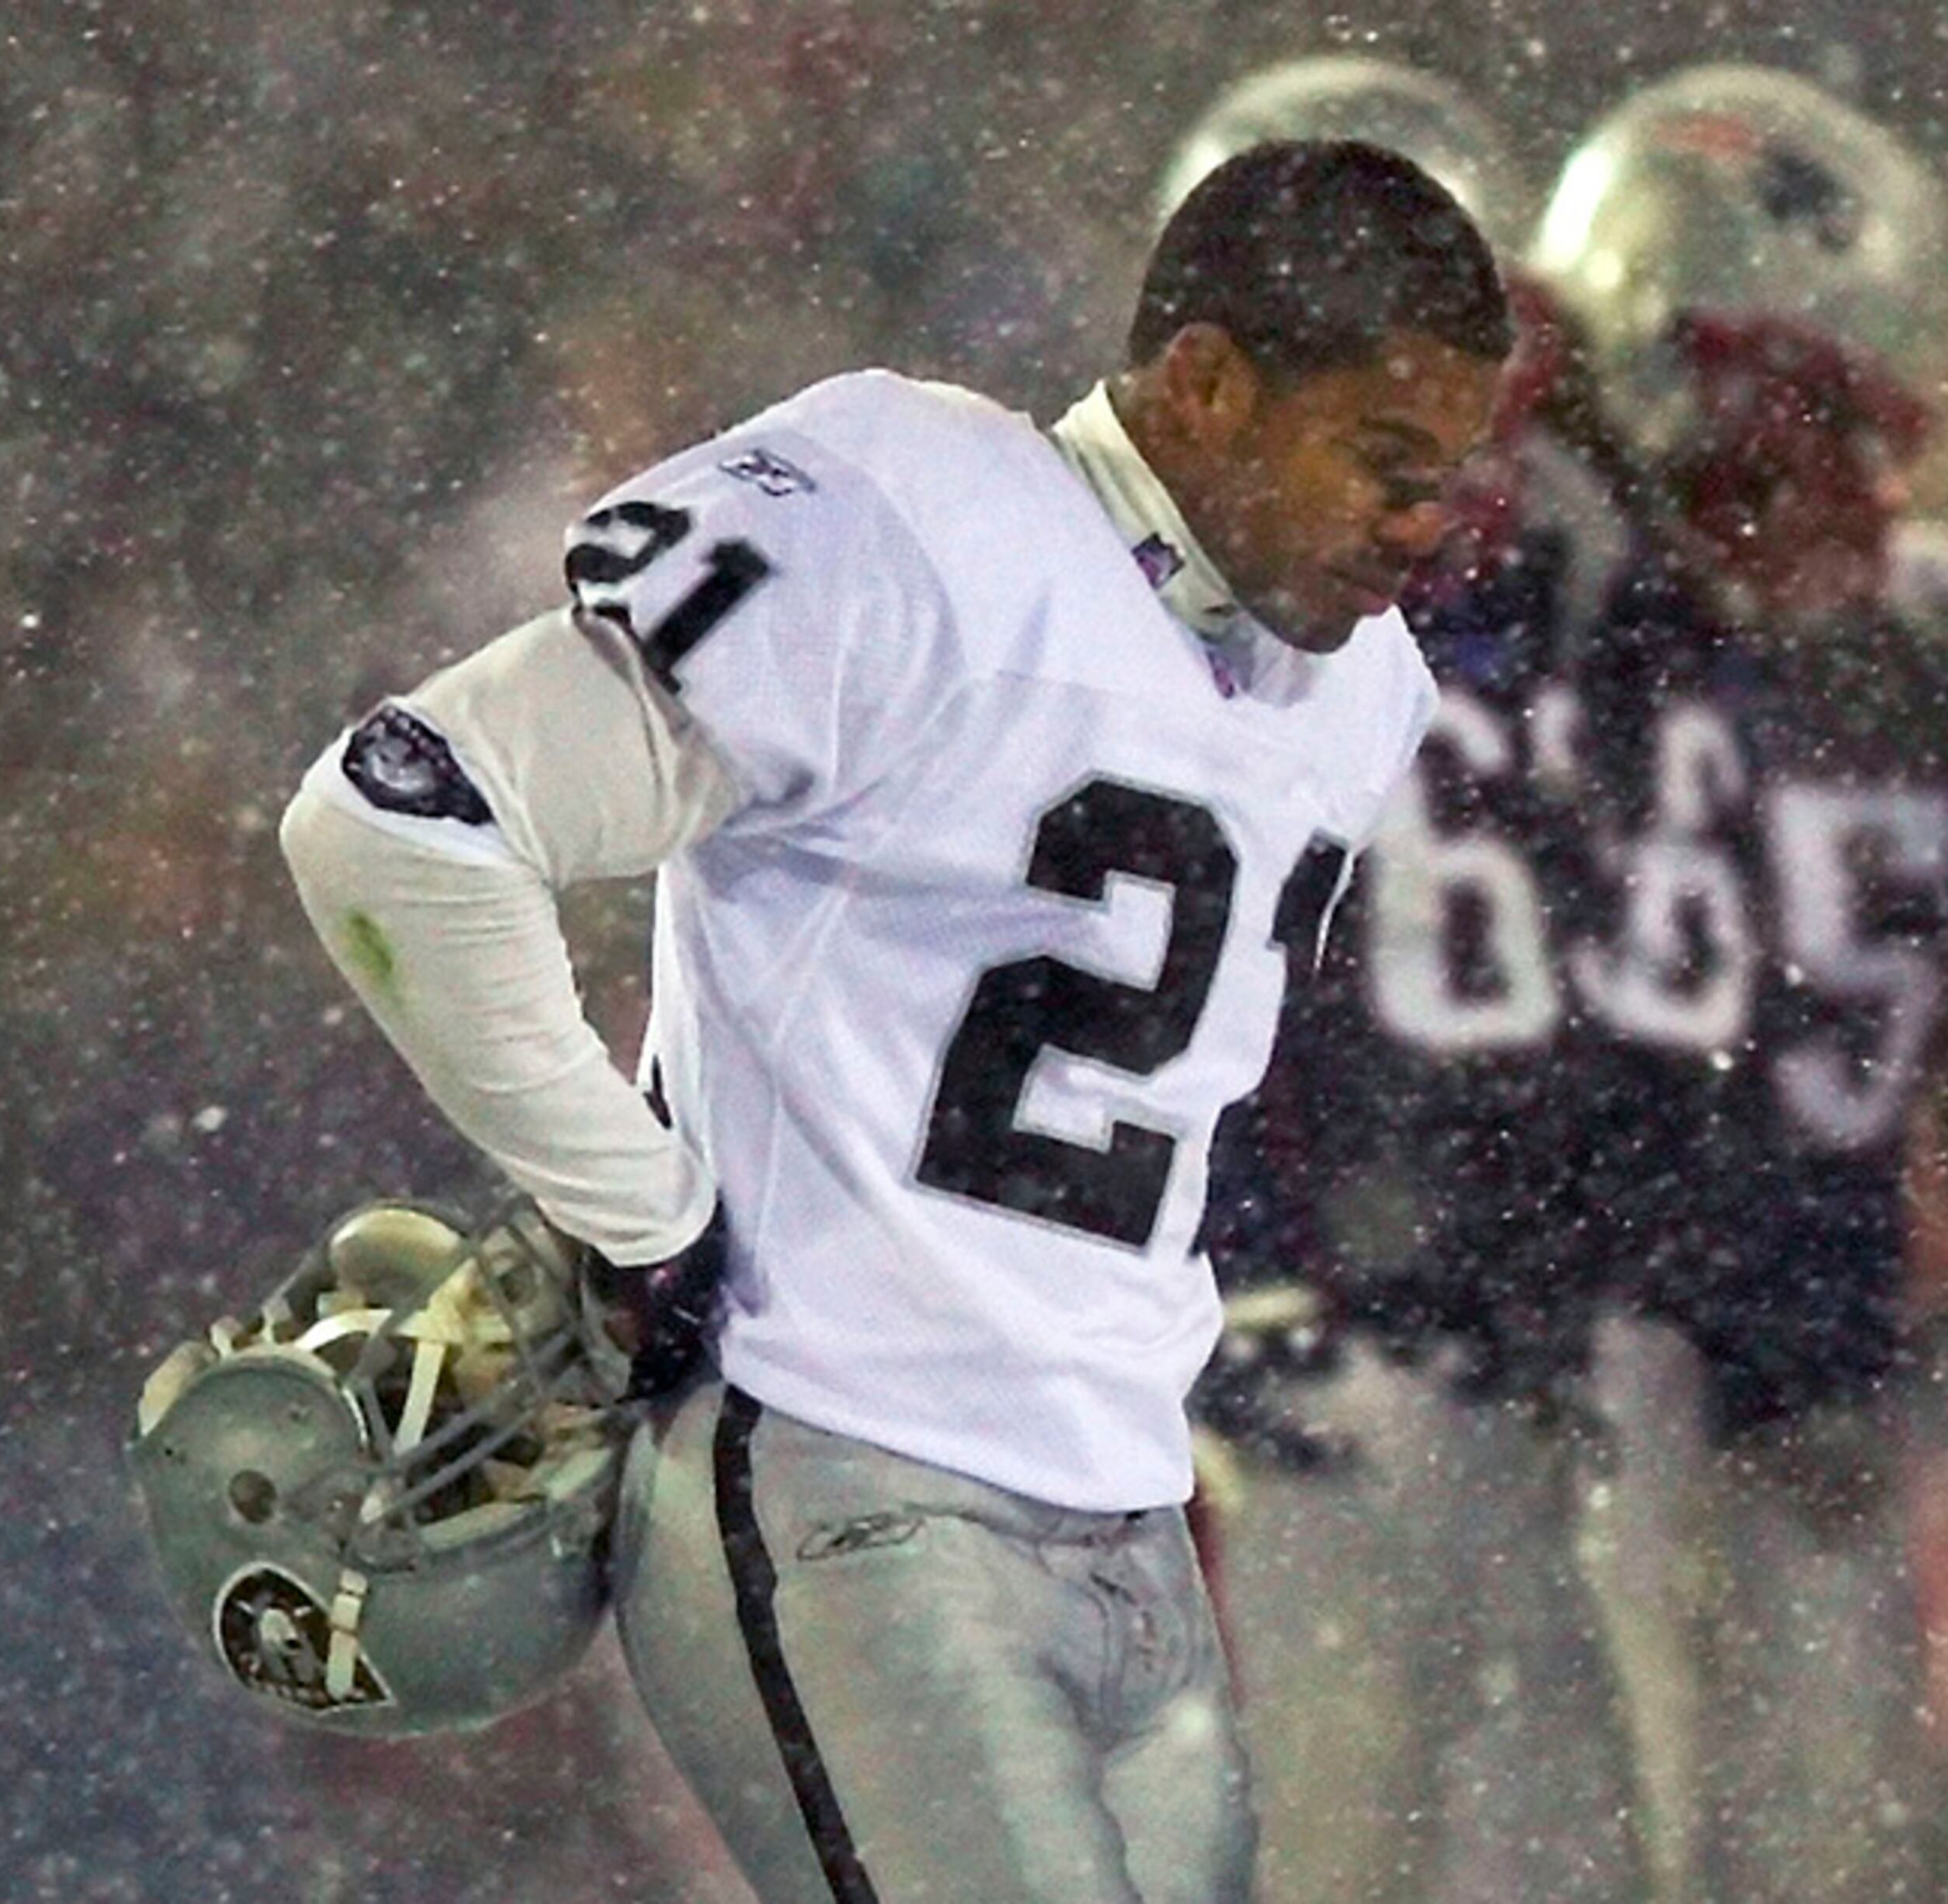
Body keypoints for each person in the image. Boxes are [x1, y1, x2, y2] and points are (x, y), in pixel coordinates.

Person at [276, 138, 1510, 1904]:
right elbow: (395, 822)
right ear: (1210, 386)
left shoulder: (1361, 688)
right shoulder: (915, 508)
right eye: (1388, 464)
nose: (1427, 527)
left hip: (1128, 1500)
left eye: (1451, 477)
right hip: (843, 1458)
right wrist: (639, 1211)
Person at [1530, 63, 1948, 1903]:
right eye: (1780, 421)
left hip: (1797, 1361)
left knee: (1826, 1851)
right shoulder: (1494, 624)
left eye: (1838, 424)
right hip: (1547, 1363)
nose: (1829, 480)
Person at [1149, 57, 1656, 1904]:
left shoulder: (1552, 591)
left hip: (1456, 1312)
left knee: (1509, 1831)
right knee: (1367, 1833)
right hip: (1347, 1311)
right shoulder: (1248, 615)